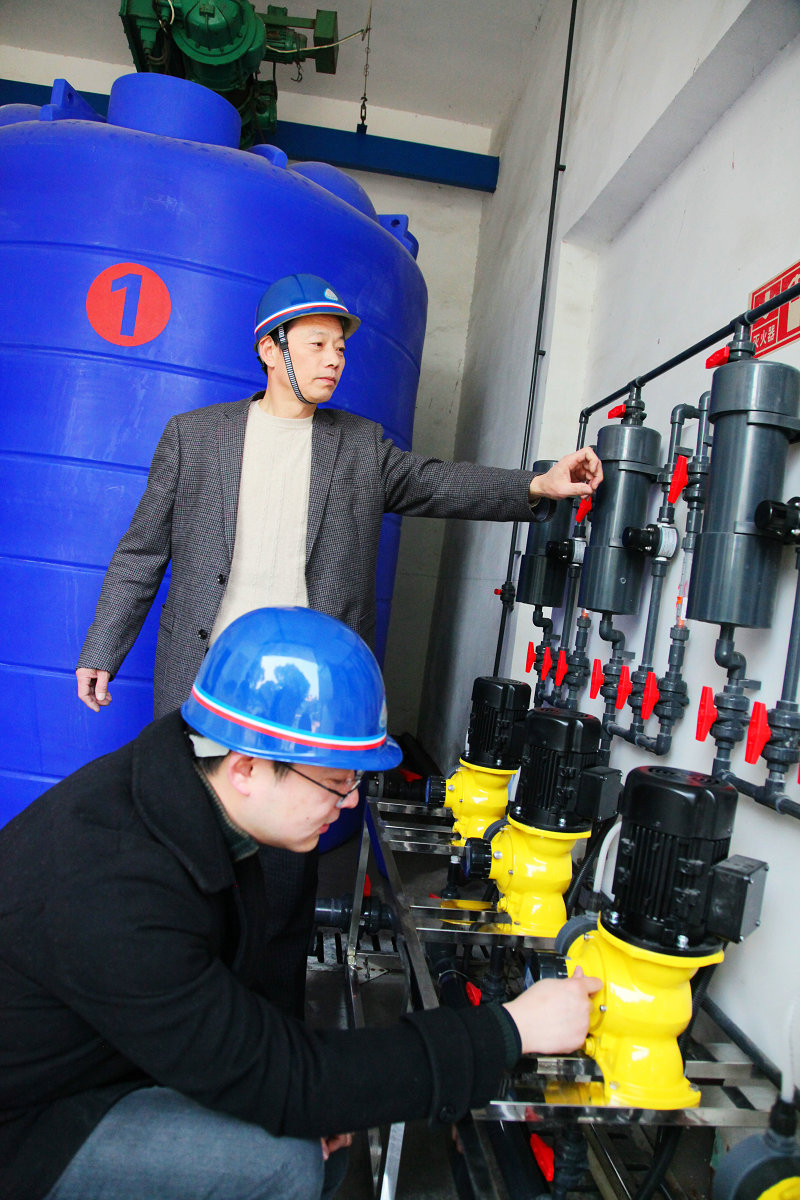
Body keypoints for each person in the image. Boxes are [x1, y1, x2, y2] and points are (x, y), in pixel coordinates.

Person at [1, 606, 602, 1200]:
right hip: (26, 1126)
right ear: (246, 767)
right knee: (282, 1162)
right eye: (335, 782)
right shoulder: (118, 890)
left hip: (91, 1064)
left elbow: (258, 1028)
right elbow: (283, 1074)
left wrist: (309, 1099)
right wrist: (510, 1029)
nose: (349, 801)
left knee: (311, 1136)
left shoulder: (190, 797)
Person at [76, 273, 603, 718]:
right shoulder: (194, 437)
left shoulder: (359, 445)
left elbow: (438, 483)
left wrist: (537, 484)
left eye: (340, 348)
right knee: (196, 804)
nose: (334, 360)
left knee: (293, 810)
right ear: (270, 350)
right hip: (208, 672)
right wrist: (103, 649)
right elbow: (141, 553)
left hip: (313, 684)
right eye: (317, 345)